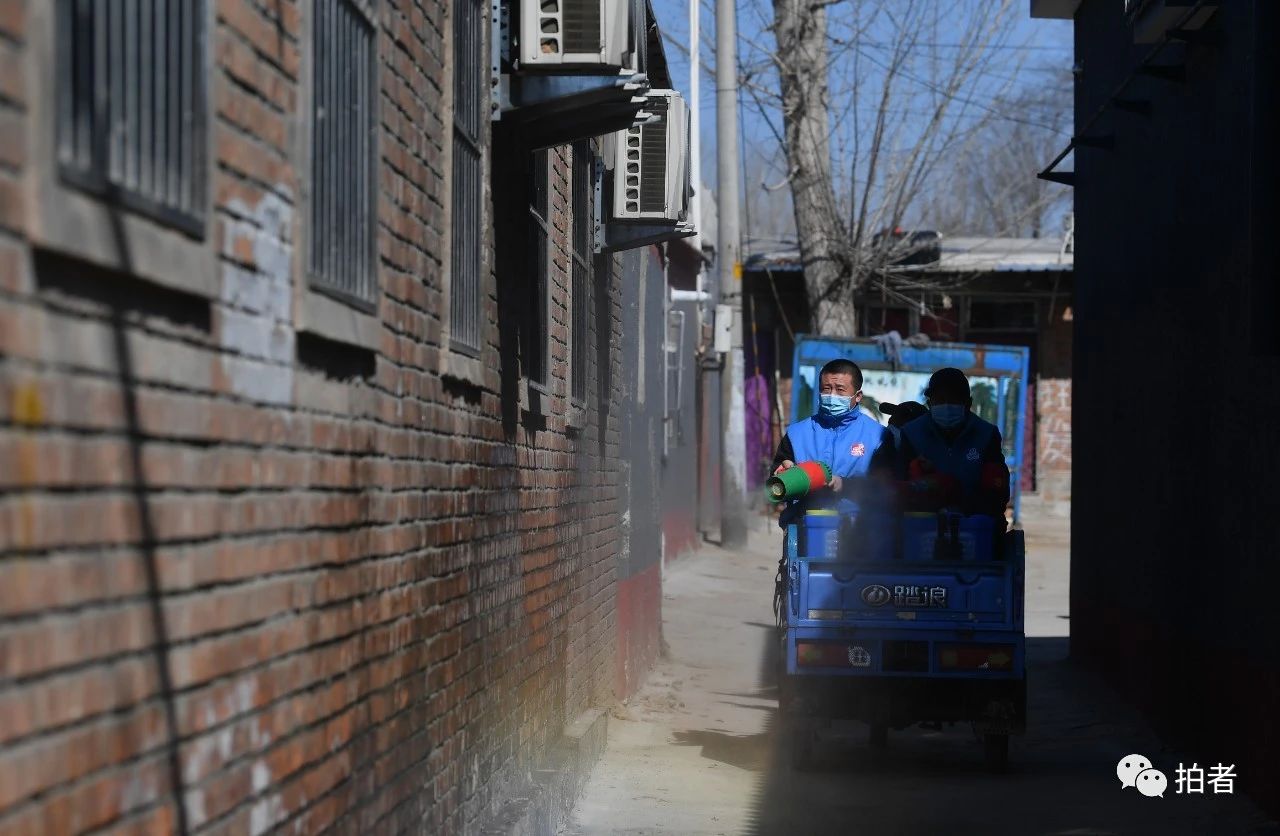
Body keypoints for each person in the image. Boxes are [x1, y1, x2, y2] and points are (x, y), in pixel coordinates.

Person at [770, 359, 892, 525]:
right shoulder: (796, 433)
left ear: (857, 396)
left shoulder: (878, 436)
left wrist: (843, 485)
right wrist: (784, 475)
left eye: (840, 389)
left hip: (858, 530)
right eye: (826, 389)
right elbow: (775, 484)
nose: (832, 395)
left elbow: (886, 487)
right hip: (805, 525)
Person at [894, 367, 1010, 525]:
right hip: (924, 522)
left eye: (954, 399)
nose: (947, 406)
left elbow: (997, 491)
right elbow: (901, 485)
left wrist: (965, 508)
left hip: (974, 522)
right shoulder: (912, 433)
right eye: (940, 400)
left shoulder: (986, 434)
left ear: (967, 403)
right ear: (930, 404)